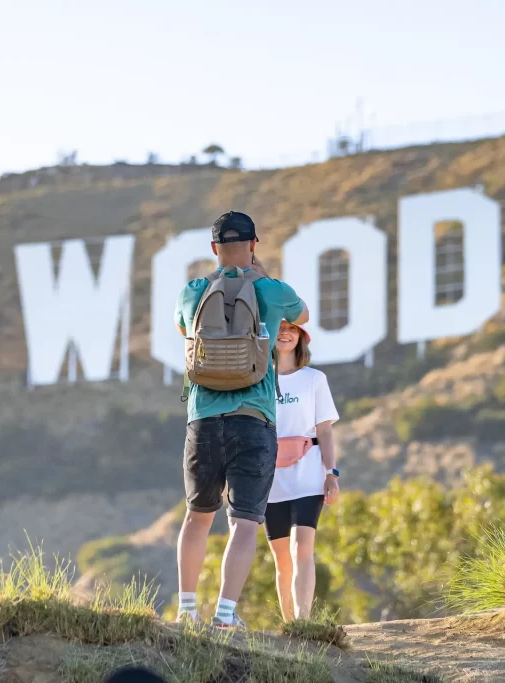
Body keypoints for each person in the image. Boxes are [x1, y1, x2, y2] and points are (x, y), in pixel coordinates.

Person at [173, 211, 309, 628]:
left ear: (214, 248)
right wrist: (260, 276)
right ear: (254, 243)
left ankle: (186, 610)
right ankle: (226, 616)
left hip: (204, 419)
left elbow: (184, 332)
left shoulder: (193, 291)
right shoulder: (272, 290)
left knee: (197, 516)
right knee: (245, 522)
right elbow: (301, 316)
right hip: (254, 418)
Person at [265, 321, 339, 621]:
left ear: (301, 338)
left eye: (292, 329)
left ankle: (303, 621)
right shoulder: (258, 381)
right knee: (282, 559)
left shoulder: (315, 379)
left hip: (309, 475)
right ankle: (289, 627)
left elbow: (325, 430)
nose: (285, 333)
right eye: (279, 328)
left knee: (302, 548)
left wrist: (331, 473)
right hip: (270, 480)